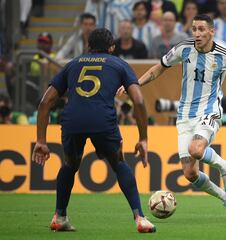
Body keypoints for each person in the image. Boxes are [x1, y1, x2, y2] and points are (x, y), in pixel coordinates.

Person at [126, 14, 226, 221]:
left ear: (212, 31)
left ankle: (225, 166)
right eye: (194, 29)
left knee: (196, 150)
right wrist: (135, 85)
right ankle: (225, 199)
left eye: (202, 29)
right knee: (190, 174)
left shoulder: (225, 54)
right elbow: (157, 69)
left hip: (209, 110)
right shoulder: (183, 49)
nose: (197, 33)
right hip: (184, 115)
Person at [31, 28, 156, 233]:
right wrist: (143, 138)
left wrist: (41, 140)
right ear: (112, 47)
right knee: (119, 163)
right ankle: (140, 218)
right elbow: (139, 101)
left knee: (70, 165)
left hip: (72, 121)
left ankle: (59, 216)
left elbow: (46, 101)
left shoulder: (72, 64)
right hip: (102, 121)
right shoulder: (119, 64)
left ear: (88, 46)